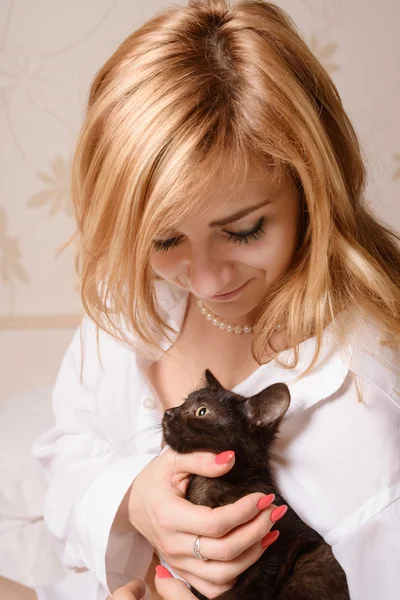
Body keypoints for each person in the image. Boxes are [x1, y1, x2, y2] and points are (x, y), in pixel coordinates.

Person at [18, 0, 400, 599]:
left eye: (243, 230)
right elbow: (67, 459)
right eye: (165, 239)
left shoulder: (368, 394)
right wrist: (134, 499)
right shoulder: (130, 301)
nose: (204, 280)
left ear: (310, 187)